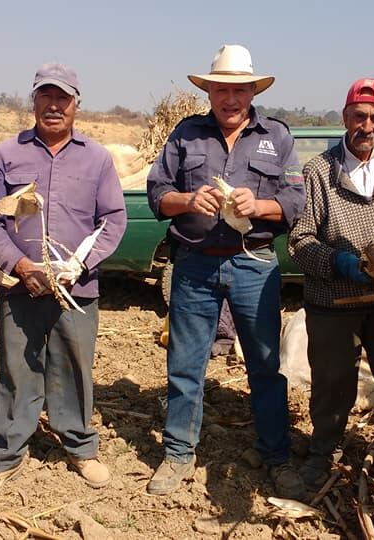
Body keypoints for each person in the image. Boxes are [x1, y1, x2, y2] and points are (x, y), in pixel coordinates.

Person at [146, 44, 306, 499]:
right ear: (209, 91)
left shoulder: (277, 136)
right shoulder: (185, 135)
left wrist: (260, 206)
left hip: (254, 263)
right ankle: (178, 454)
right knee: (185, 364)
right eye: (222, 89)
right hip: (194, 264)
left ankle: (275, 455)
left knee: (265, 365)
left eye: (239, 90)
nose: (230, 98)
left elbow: (295, 200)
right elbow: (157, 191)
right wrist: (187, 200)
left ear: (252, 91)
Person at [0, 63, 127, 497]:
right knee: (17, 370)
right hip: (19, 288)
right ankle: (5, 455)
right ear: (33, 101)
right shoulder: (6, 154)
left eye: (63, 98)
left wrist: (80, 264)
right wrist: (22, 267)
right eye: (46, 97)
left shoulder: (96, 159)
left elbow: (113, 220)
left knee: (74, 369)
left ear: (77, 104)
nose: (54, 106)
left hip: (76, 291)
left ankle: (80, 447)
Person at [288, 78, 374, 490]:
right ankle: (324, 451)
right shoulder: (319, 171)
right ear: (345, 117)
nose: (367, 126)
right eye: (359, 116)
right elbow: (300, 239)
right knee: (331, 383)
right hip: (332, 300)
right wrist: (338, 262)